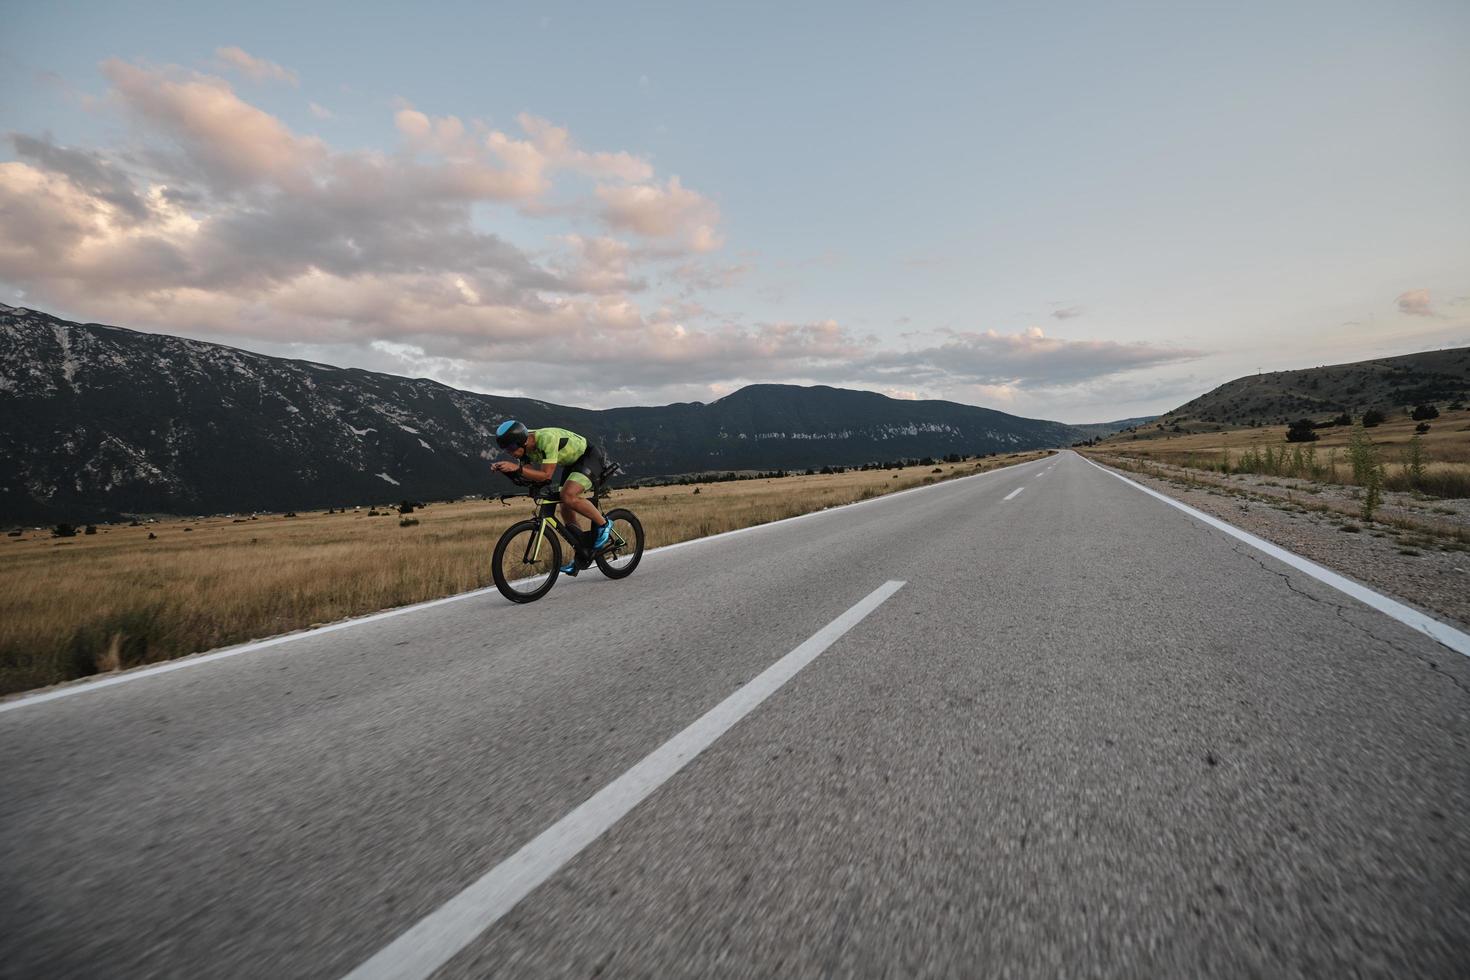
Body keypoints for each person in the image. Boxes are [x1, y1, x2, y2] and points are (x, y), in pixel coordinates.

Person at [491, 420, 611, 576]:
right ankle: (582, 550)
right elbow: (530, 476)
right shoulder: (524, 450)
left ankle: (604, 524)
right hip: (571, 464)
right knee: (565, 507)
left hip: (588, 457)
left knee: (568, 495)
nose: (511, 453)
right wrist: (508, 471)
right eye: (506, 450)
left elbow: (546, 475)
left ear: (523, 441)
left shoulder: (546, 439)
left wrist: (516, 468)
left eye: (512, 448)